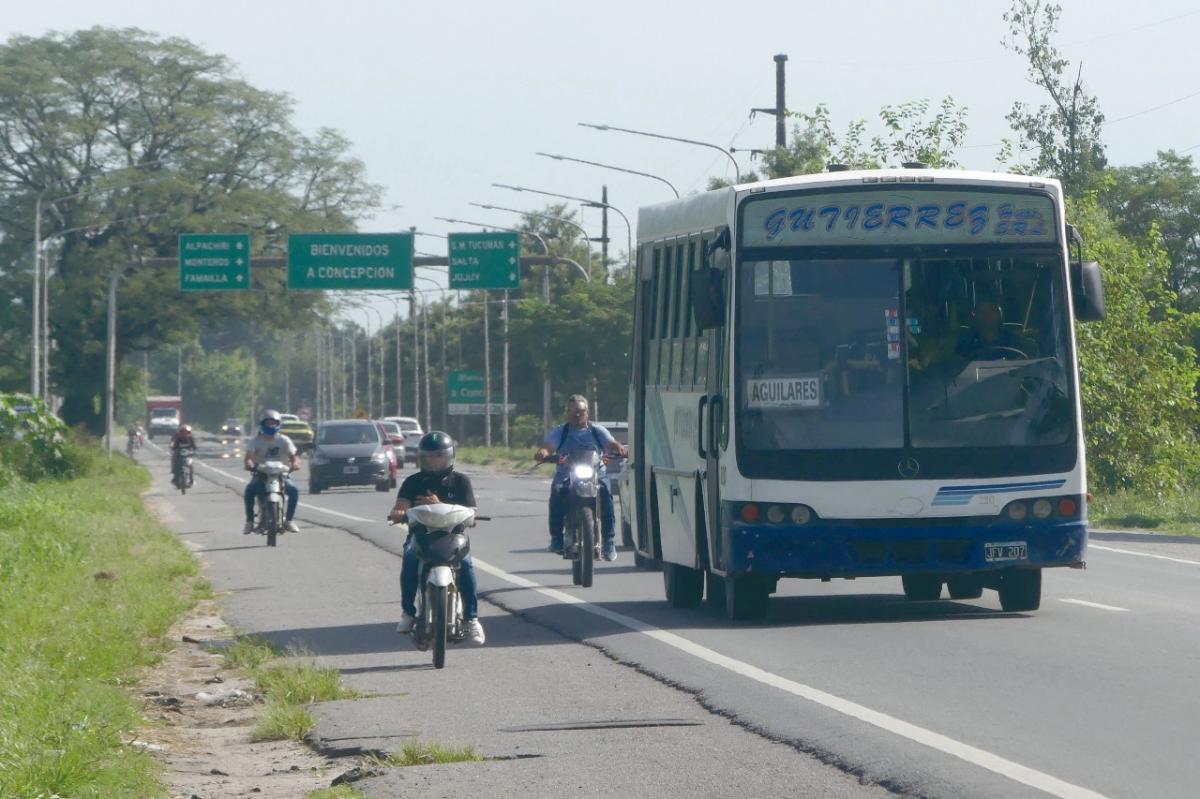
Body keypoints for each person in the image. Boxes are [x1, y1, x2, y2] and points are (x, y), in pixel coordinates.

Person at [388, 432, 484, 645]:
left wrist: (438, 503)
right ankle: (408, 613)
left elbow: (471, 513)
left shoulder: (461, 481)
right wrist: (399, 511)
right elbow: (402, 504)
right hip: (420, 537)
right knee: (409, 561)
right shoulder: (413, 482)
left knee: (466, 566)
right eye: (429, 456)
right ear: (421, 458)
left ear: (449, 456)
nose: (434, 460)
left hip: (453, 537)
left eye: (439, 455)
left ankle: (471, 619)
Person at [535, 394, 627, 561]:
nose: (577, 415)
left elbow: (610, 443)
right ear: (567, 413)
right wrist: (543, 453)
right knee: (557, 492)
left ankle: (609, 540)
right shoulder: (560, 431)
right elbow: (548, 447)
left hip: (596, 473)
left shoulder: (597, 430)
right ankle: (556, 538)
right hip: (567, 474)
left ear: (587, 412)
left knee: (606, 494)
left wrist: (619, 447)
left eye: (580, 411)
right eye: (572, 411)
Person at [242, 409, 301, 534]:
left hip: (281, 474)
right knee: (249, 490)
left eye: (274, 423)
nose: (271, 426)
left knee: (294, 490)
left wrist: (295, 464)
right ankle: (250, 521)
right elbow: (248, 457)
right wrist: (249, 464)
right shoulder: (256, 441)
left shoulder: (284, 440)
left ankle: (289, 520)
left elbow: (294, 456)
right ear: (263, 424)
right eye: (268, 423)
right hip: (261, 474)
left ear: (278, 424)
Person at [955, 298, 1029, 361]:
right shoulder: (966, 342)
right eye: (982, 312)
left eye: (992, 310)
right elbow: (958, 365)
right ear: (975, 315)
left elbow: (1024, 364)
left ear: (1000, 314)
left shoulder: (1013, 340)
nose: (987, 315)